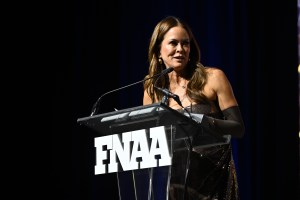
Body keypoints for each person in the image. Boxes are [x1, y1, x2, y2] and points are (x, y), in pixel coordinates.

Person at [143, 16, 245, 200]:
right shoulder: (152, 90)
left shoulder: (212, 77)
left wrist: (204, 122)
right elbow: (151, 140)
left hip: (215, 184)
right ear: (158, 50)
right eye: (173, 43)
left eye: (185, 44)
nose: (180, 49)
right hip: (176, 185)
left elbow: (238, 128)